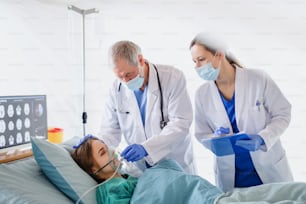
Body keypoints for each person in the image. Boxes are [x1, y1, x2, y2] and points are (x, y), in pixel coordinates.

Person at [189, 32, 293, 191]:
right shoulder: (202, 94)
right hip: (232, 178)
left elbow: (283, 113)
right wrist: (215, 138)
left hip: (269, 170)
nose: (197, 67)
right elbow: (201, 134)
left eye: (201, 59)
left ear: (219, 54)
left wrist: (262, 138)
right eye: (194, 61)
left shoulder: (258, 78)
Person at [71, 135, 306, 204]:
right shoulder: (109, 191)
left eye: (107, 147)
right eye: (103, 153)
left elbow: (168, 171)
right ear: (93, 169)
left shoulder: (132, 174)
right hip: (204, 202)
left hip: (215, 196)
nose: (112, 152)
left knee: (294, 190)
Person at [97, 40, 196, 174]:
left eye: (128, 74)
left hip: (175, 163)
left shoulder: (172, 77)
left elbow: (181, 123)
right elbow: (110, 130)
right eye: (120, 77)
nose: (125, 81)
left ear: (140, 60)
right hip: (142, 170)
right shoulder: (117, 88)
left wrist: (147, 148)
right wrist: (96, 142)